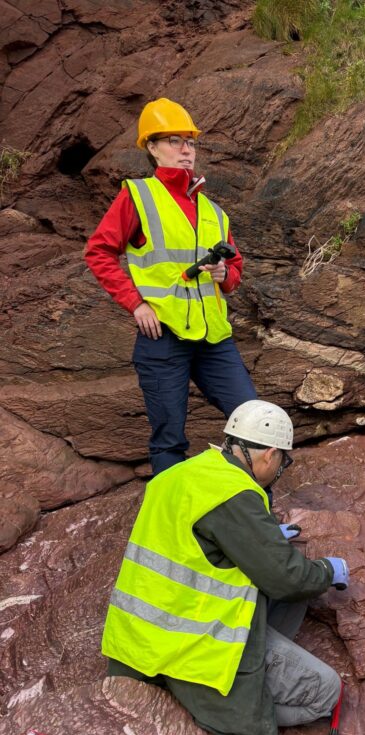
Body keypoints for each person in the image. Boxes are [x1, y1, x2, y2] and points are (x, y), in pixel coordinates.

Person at [101, 399, 350, 735]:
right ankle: (228, 698)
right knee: (327, 691)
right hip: (191, 647)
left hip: (138, 636)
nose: (281, 467)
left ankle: (254, 664)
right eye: (283, 460)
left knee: (285, 585)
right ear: (269, 455)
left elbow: (194, 539)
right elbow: (288, 579)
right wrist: (327, 571)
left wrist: (261, 536)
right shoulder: (234, 494)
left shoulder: (183, 473)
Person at [85, 97, 258, 475]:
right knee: (169, 440)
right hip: (162, 337)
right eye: (174, 141)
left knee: (254, 422)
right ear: (151, 147)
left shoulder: (213, 211)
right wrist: (136, 304)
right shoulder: (138, 196)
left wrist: (223, 275)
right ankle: (170, 529)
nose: (185, 150)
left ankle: (254, 521)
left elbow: (236, 270)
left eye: (191, 142)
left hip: (214, 339)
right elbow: (99, 252)